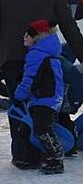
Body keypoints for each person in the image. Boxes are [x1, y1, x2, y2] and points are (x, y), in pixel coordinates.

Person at [0, 0, 83, 170]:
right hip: (43, 61)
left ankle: (22, 155)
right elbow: (68, 25)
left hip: (11, 58)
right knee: (42, 105)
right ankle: (44, 151)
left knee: (18, 104)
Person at [15, 19, 64, 174]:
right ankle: (30, 157)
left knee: (43, 129)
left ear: (36, 37)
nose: (24, 37)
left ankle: (56, 158)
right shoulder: (49, 52)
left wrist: (20, 94)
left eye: (27, 35)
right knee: (32, 127)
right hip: (51, 96)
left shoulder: (36, 54)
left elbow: (29, 78)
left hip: (44, 97)